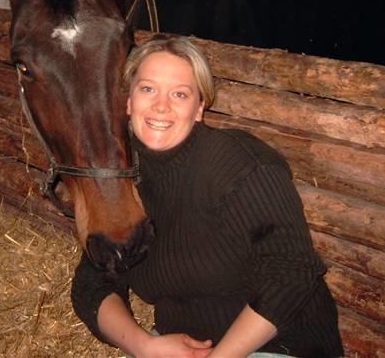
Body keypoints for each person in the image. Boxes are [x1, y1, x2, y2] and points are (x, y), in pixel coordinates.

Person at [71, 35, 344, 358]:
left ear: (199, 108)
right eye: (147, 89)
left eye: (180, 94)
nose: (161, 105)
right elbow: (93, 283)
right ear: (128, 101)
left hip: (281, 345)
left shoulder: (240, 164)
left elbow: (292, 272)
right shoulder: (123, 178)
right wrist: (144, 345)